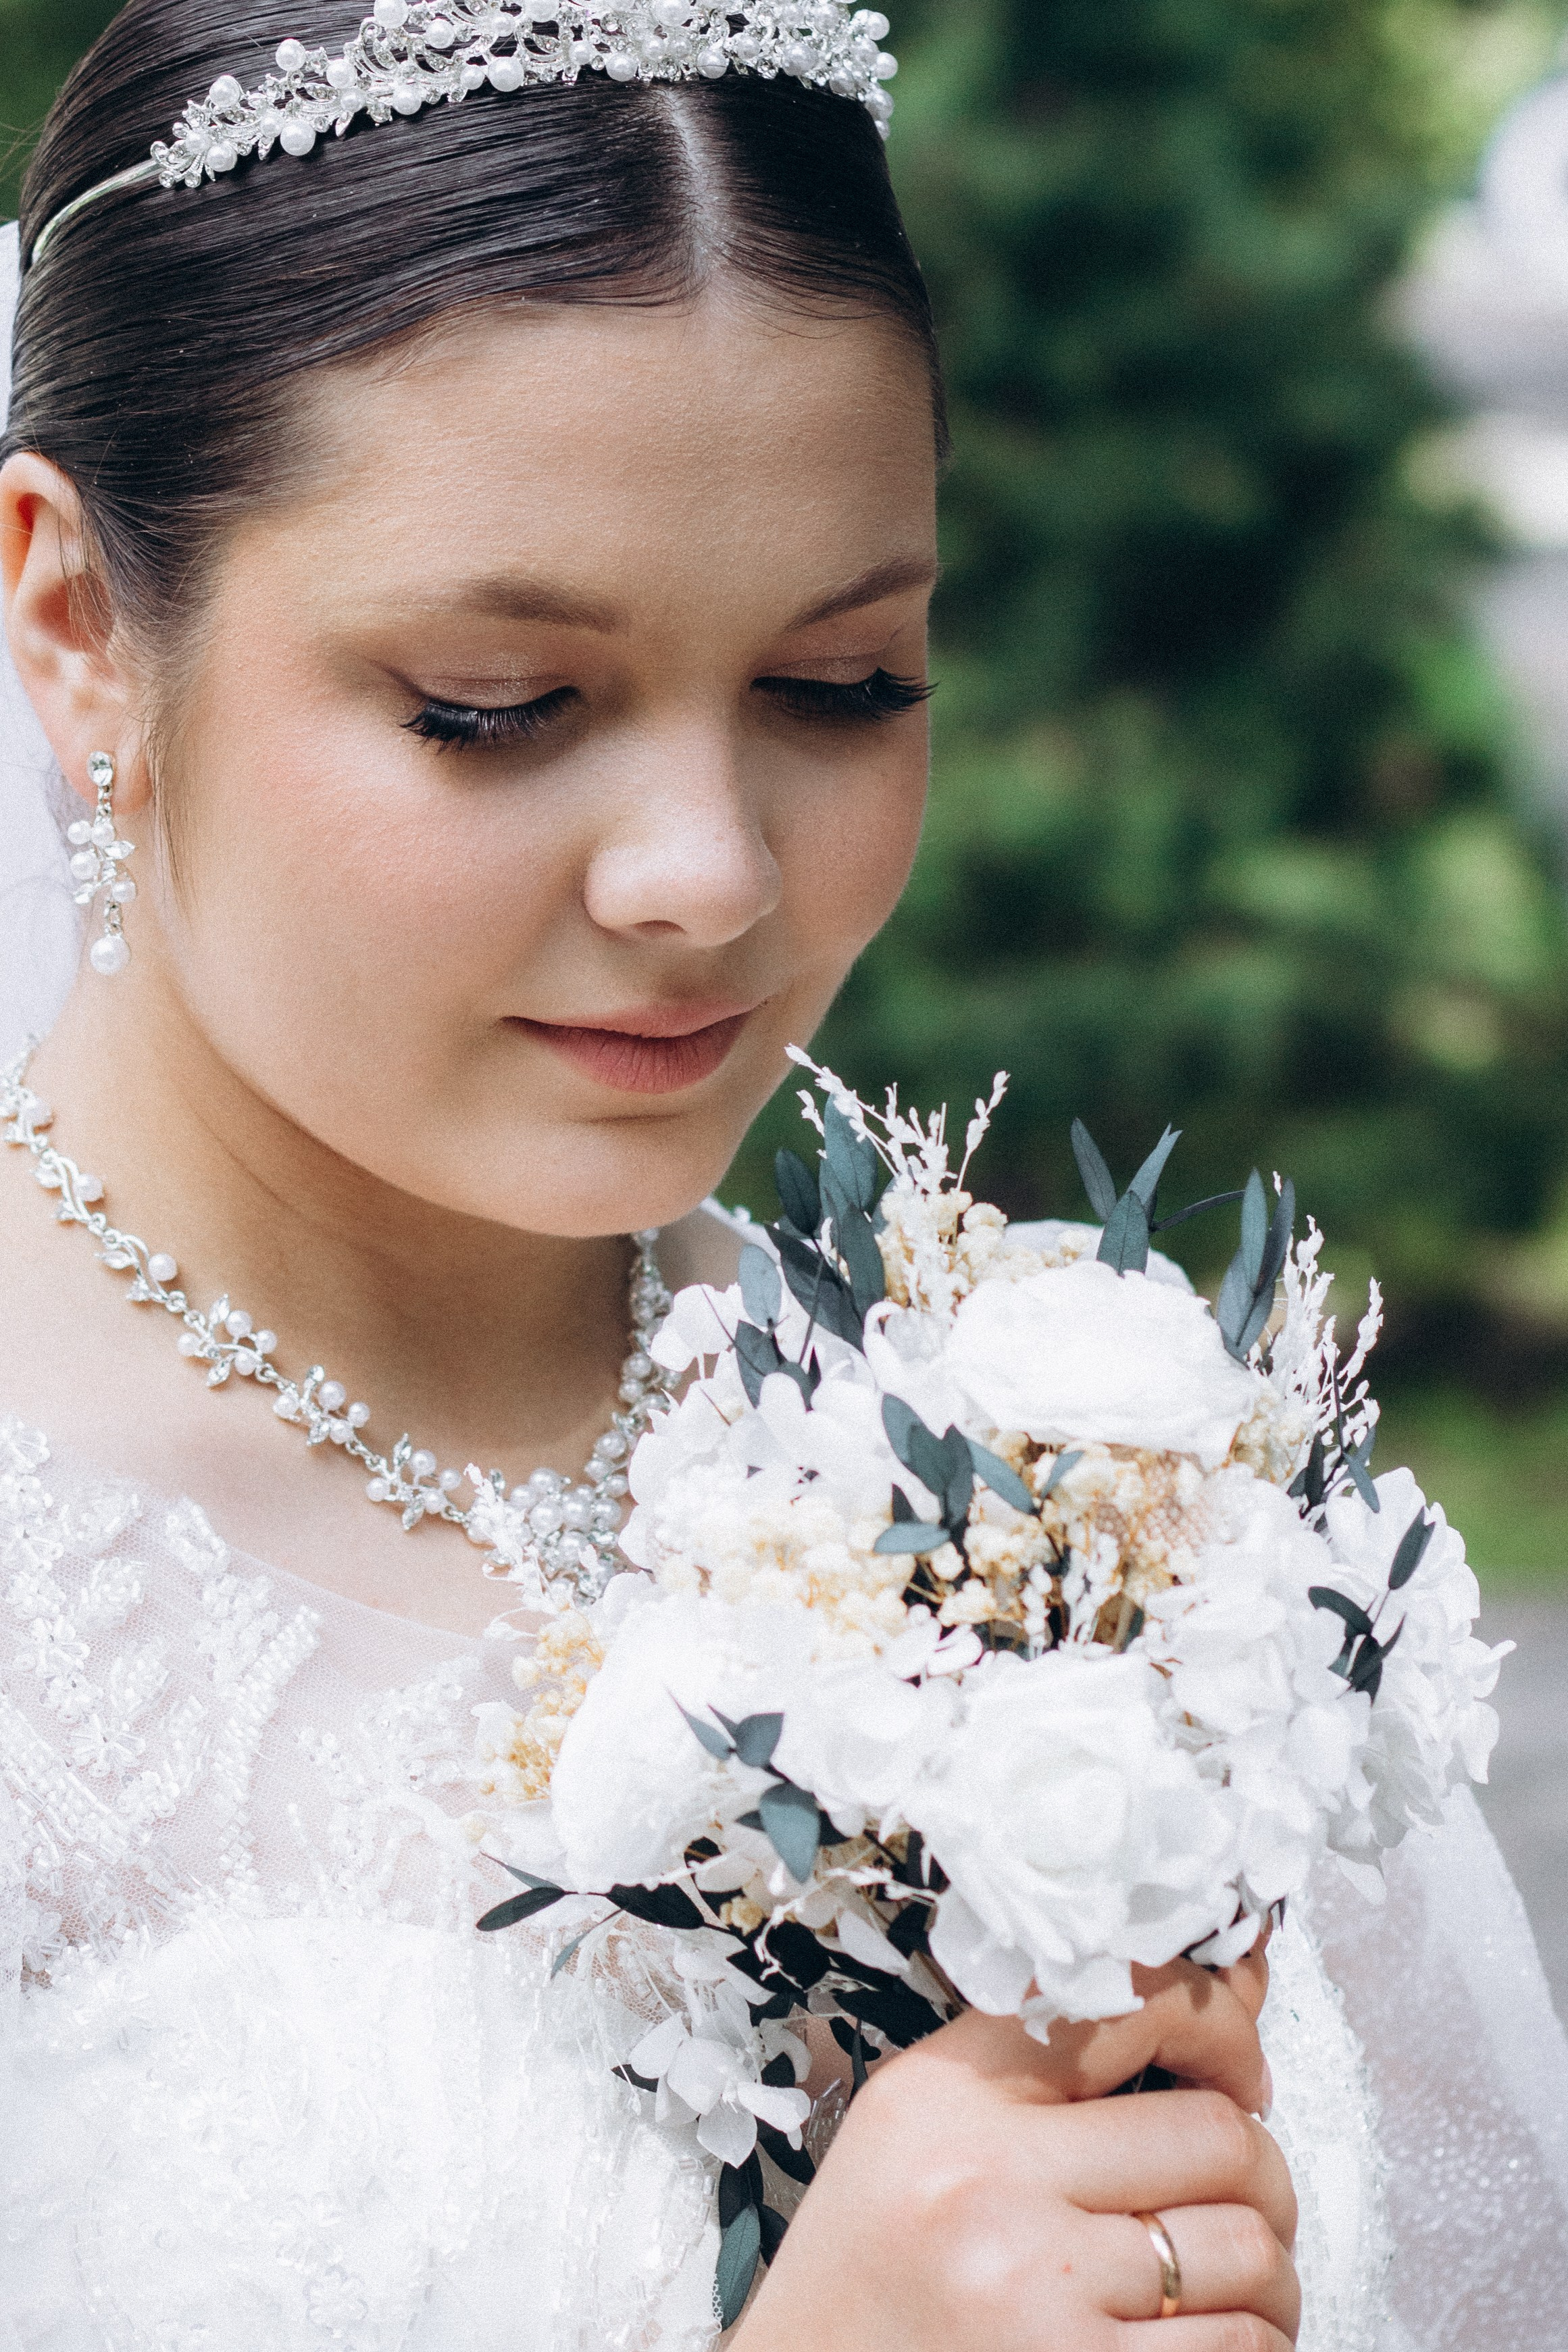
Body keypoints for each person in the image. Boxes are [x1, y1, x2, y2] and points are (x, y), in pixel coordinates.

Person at [0, 8, 1563, 2347]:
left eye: (840, 686)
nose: (706, 878)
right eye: (494, 705)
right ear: (77, 623)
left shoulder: (1108, 1484)